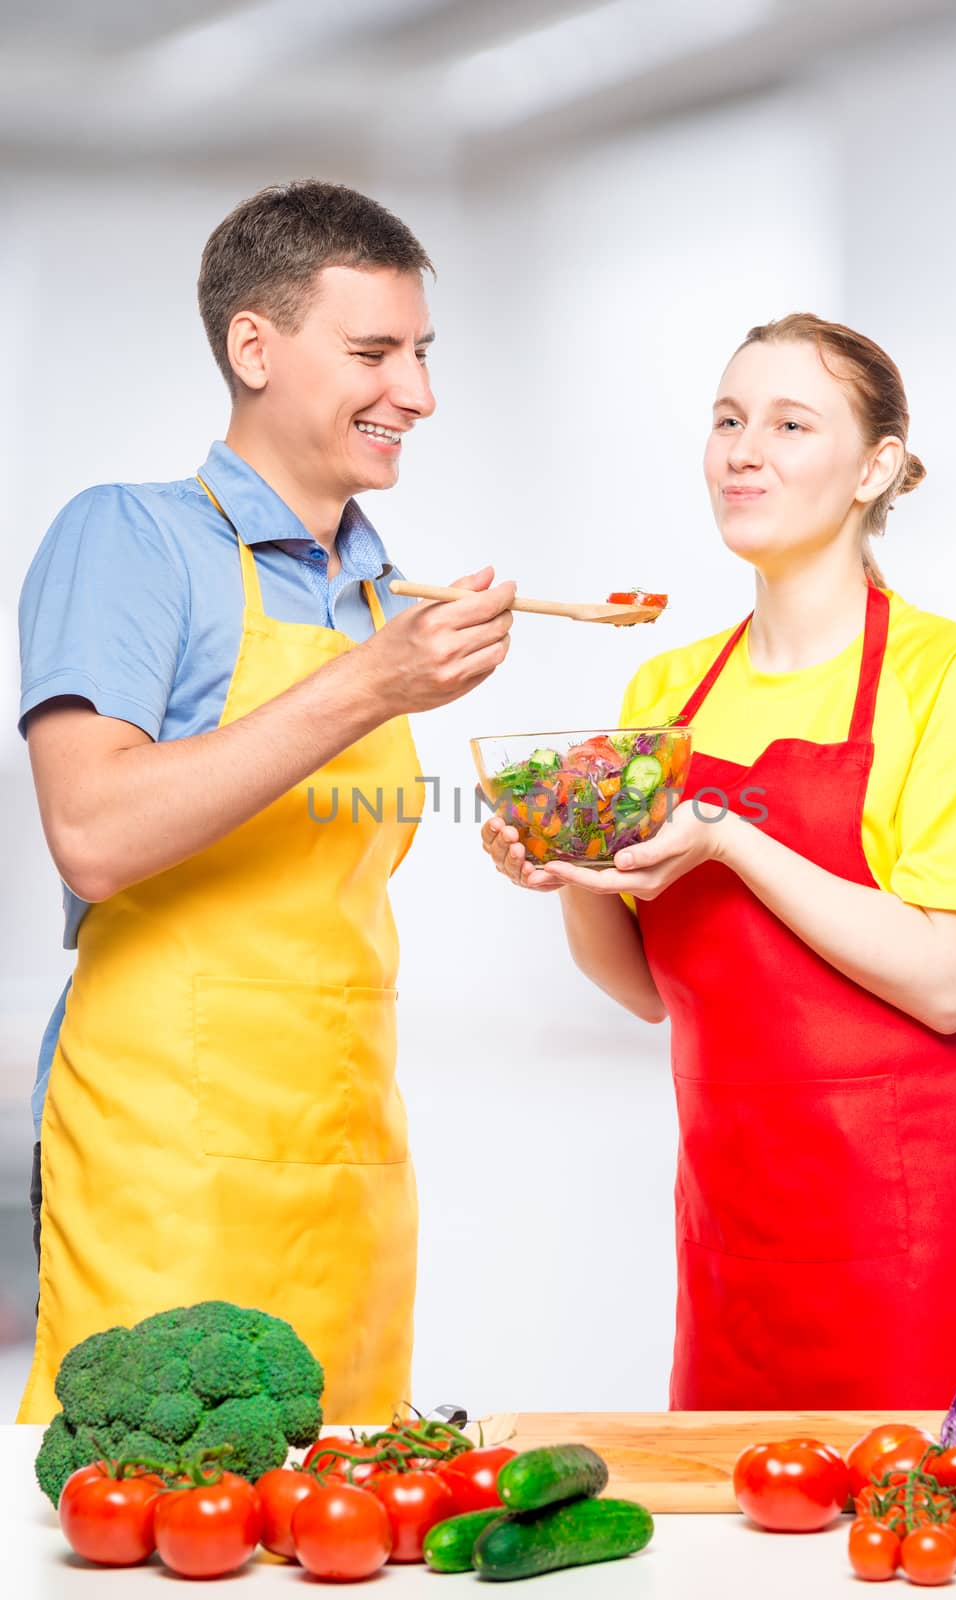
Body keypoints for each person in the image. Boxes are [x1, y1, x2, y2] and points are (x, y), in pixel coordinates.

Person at [482, 312, 956, 1409]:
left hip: (921, 1225)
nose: (743, 450)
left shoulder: (955, 680)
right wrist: (567, 872)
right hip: (737, 1230)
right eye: (727, 419)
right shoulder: (665, 692)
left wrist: (733, 839)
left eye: (791, 423)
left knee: (935, 1540)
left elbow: (949, 984)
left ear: (875, 467)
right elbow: (645, 989)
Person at [17, 180, 515, 1423]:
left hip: (350, 1165)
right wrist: (368, 688)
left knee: (344, 1538)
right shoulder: (128, 539)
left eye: (422, 353)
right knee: (159, 1507)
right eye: (373, 353)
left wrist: (516, 832)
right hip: (168, 1167)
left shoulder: (379, 598)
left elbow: (322, 860)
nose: (419, 393)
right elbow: (93, 834)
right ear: (254, 345)